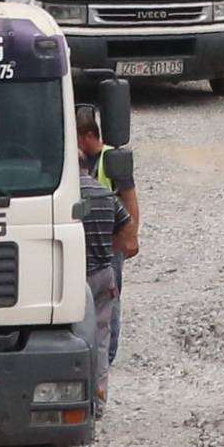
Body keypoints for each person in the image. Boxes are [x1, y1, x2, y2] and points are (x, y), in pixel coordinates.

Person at [77, 103, 140, 363]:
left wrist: (130, 238)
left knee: (110, 300)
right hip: (90, 238)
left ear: (88, 136)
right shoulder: (78, 162)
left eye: (77, 138)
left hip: (110, 239)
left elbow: (131, 201)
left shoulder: (112, 160)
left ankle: (108, 354)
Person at [76, 162, 134, 415]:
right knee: (101, 337)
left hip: (76, 277)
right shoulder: (103, 193)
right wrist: (111, 251)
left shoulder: (68, 194)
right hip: (103, 273)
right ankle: (99, 398)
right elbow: (128, 227)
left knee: (75, 337)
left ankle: (78, 394)